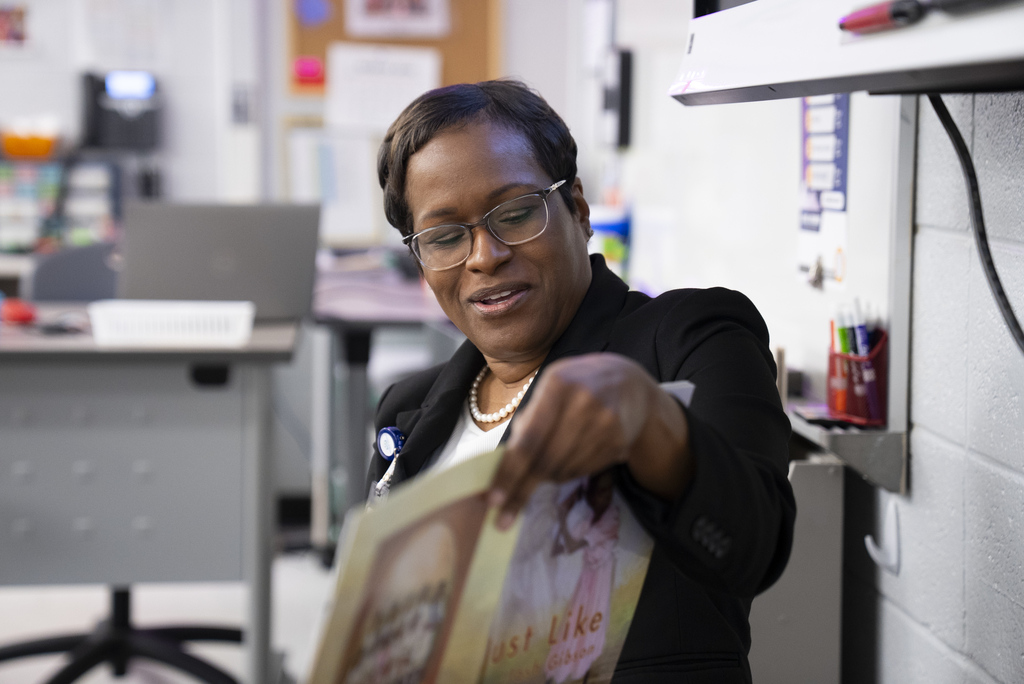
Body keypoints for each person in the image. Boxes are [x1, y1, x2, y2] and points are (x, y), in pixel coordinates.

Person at [367, 79, 795, 683]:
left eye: (515, 213)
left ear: (578, 209)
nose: (484, 255)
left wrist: (656, 427)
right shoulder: (408, 411)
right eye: (444, 237)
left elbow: (755, 547)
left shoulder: (685, 339)